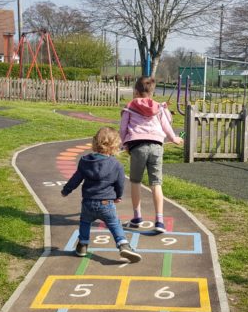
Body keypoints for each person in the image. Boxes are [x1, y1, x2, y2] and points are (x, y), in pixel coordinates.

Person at [61, 127, 142, 263]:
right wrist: (118, 196)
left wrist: (66, 190)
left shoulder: (85, 161)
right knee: (114, 223)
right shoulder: (116, 165)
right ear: (115, 145)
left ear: (95, 142)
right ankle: (123, 245)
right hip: (106, 203)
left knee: (85, 222)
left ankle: (82, 245)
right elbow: (120, 183)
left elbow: (76, 179)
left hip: (88, 202)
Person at [119, 76, 183, 234]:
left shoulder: (130, 106)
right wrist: (174, 138)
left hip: (137, 146)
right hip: (156, 146)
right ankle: (159, 221)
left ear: (135, 91)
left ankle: (137, 217)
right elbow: (166, 125)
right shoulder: (158, 107)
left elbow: (123, 128)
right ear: (152, 92)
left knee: (135, 182)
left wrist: (124, 144)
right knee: (156, 183)